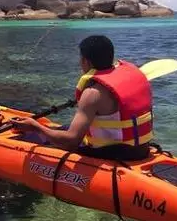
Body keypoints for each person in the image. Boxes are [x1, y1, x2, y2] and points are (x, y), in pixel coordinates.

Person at [11, 35, 154, 161]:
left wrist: (36, 127)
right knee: (65, 127)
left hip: (111, 154)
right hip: (140, 150)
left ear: (86, 61)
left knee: (34, 137)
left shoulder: (93, 93)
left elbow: (71, 142)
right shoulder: (131, 76)